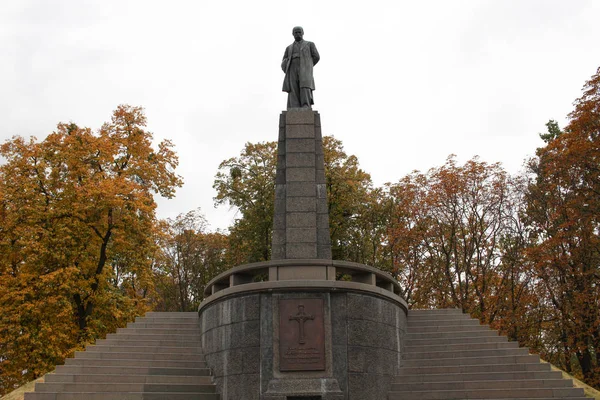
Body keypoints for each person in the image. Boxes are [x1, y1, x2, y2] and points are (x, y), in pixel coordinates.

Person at [281, 26, 320, 109]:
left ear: (303, 33)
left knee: (304, 86)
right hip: (292, 68)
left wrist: (308, 65)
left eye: (299, 32)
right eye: (296, 32)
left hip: (305, 69)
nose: (298, 34)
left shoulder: (310, 44)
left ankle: (305, 105)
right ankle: (294, 106)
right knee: (293, 86)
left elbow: (316, 57)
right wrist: (286, 66)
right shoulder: (289, 48)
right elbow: (284, 59)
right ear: (293, 34)